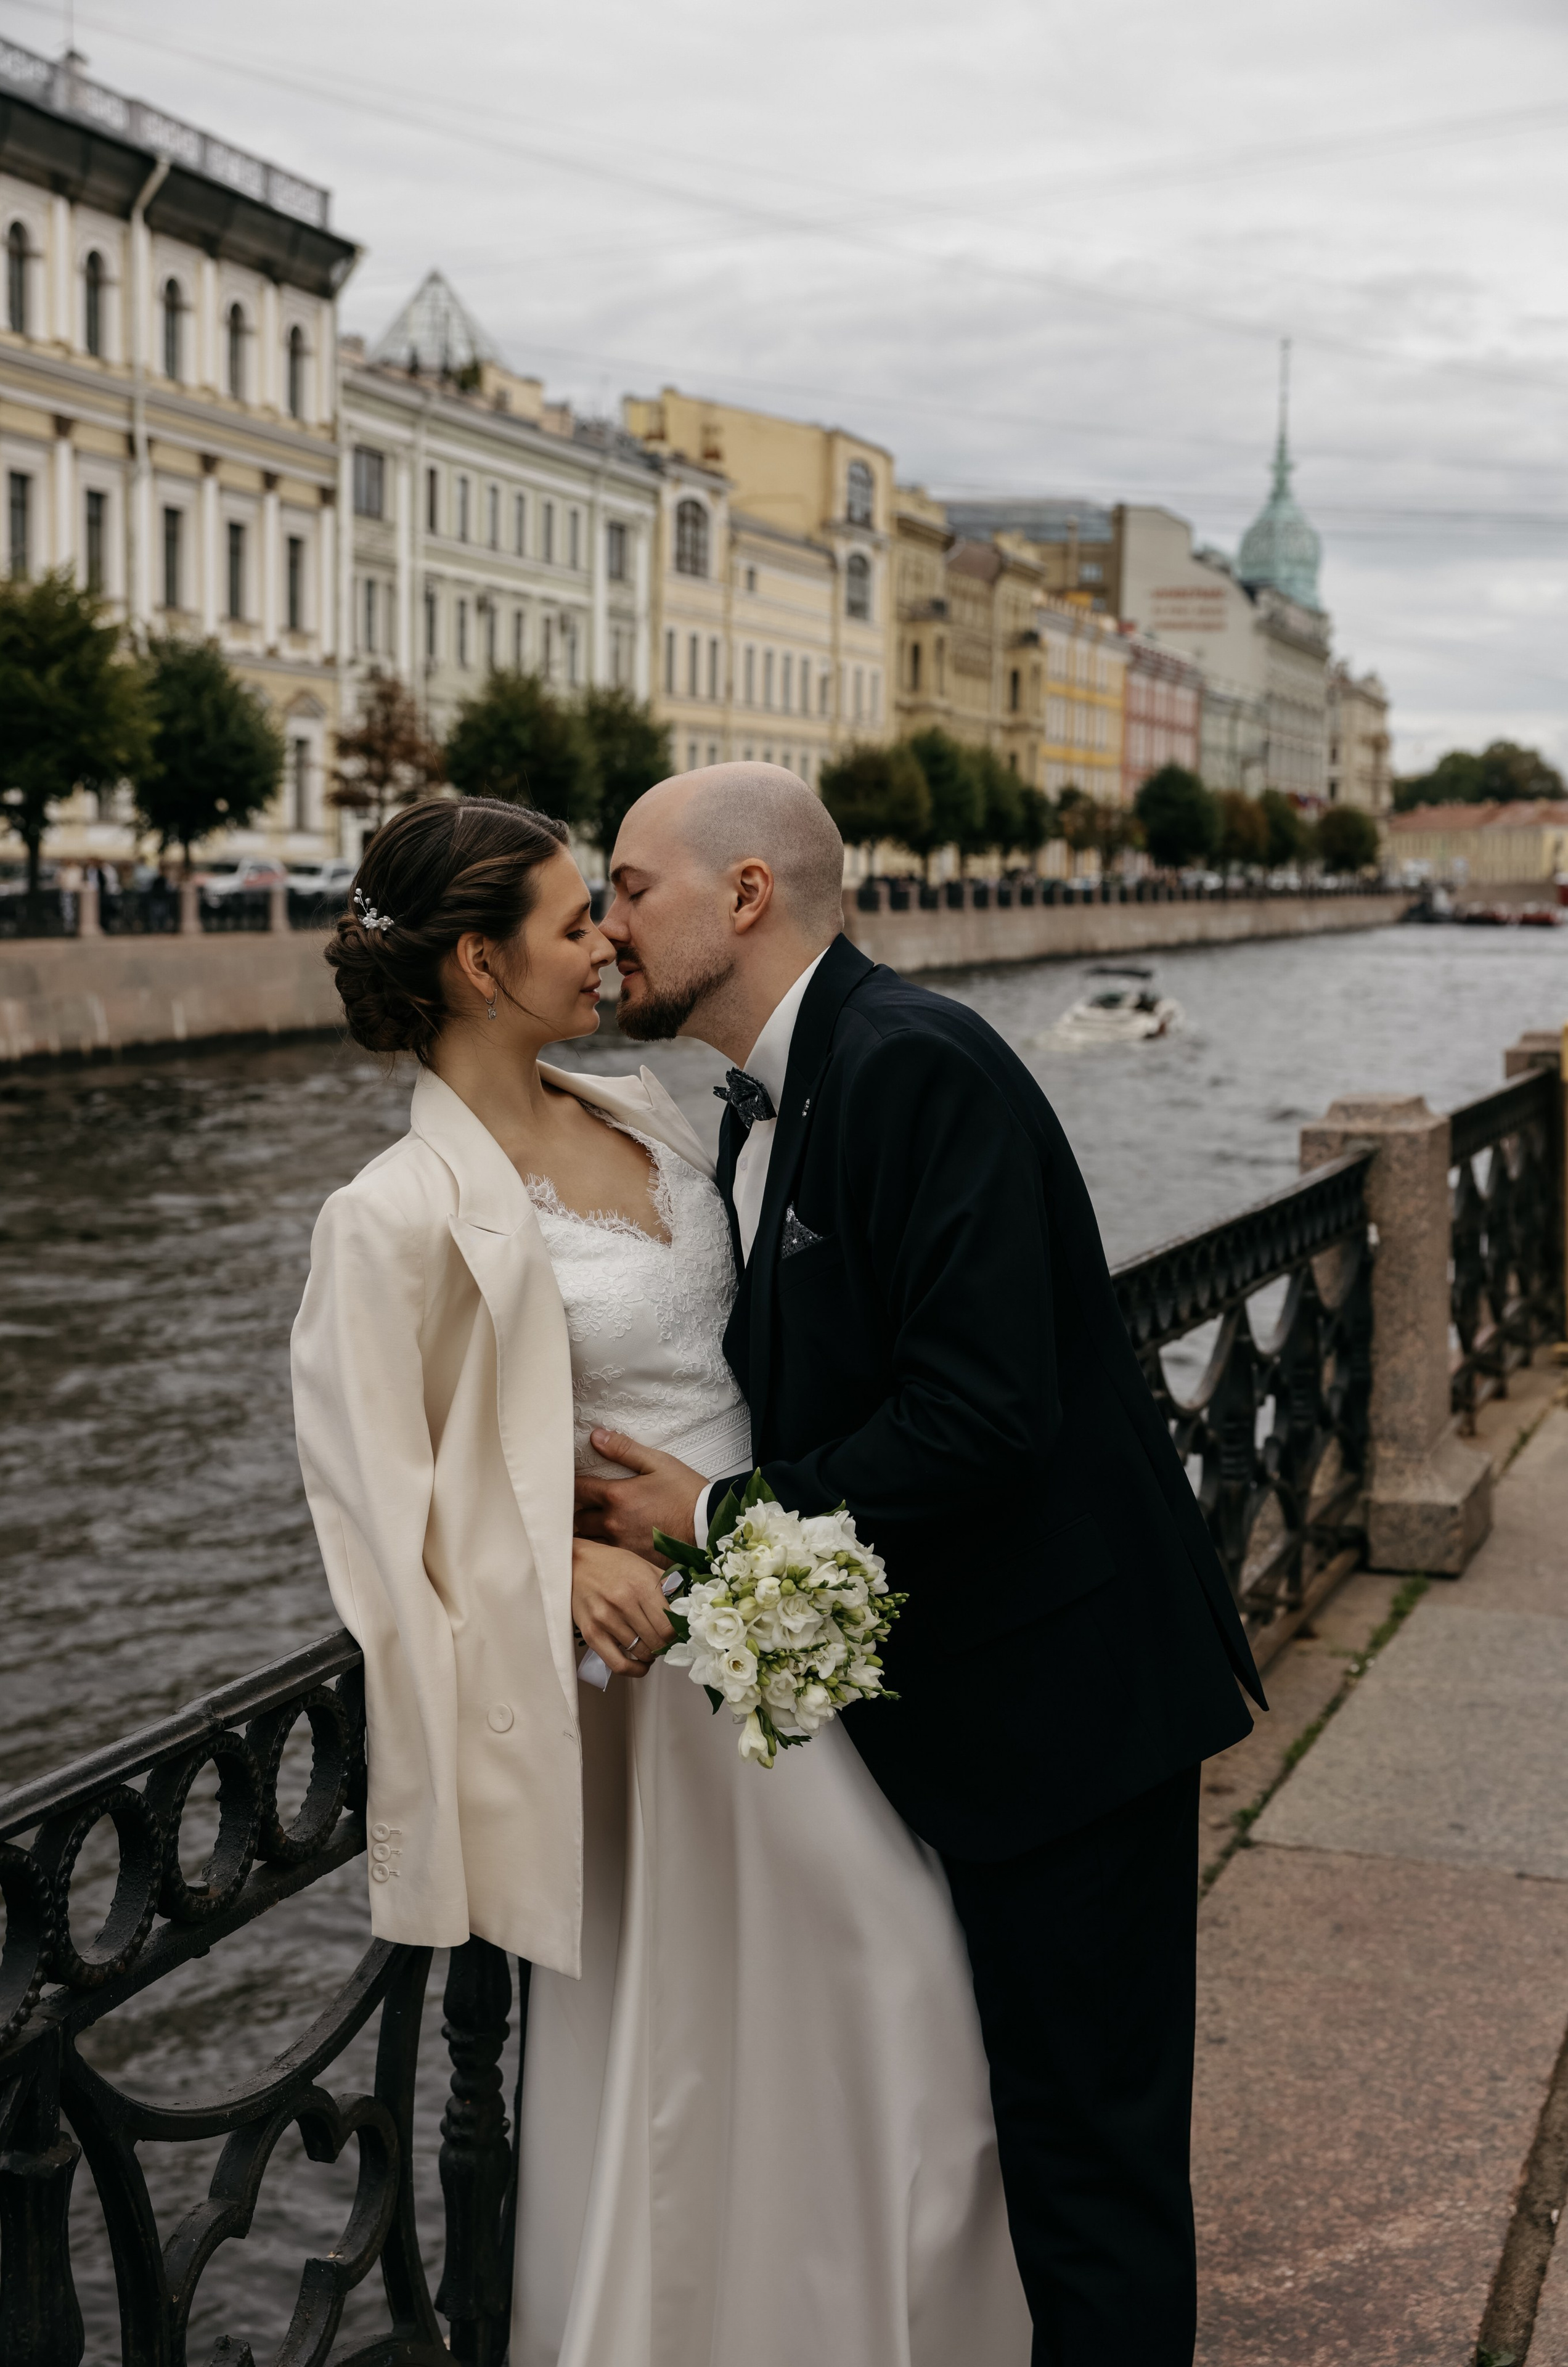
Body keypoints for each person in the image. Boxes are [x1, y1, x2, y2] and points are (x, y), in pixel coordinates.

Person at [290, 795, 1030, 2367]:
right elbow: (372, 1501)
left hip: (779, 1619)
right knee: (699, 2062)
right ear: (481, 970)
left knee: (890, 1997)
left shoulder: (652, 1108)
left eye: (609, 901)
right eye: (576, 919)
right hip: (645, 1690)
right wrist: (549, 1557)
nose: (609, 937)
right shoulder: (390, 1215)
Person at [576, 762, 1267, 2367]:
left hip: (1067, 1713)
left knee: (1085, 2168)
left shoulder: (909, 1067)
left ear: (745, 897)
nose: (608, 927)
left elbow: (983, 1419)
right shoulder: (777, 1091)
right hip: (977, 1709)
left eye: (629, 886)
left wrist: (722, 1518)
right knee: (1017, 2143)